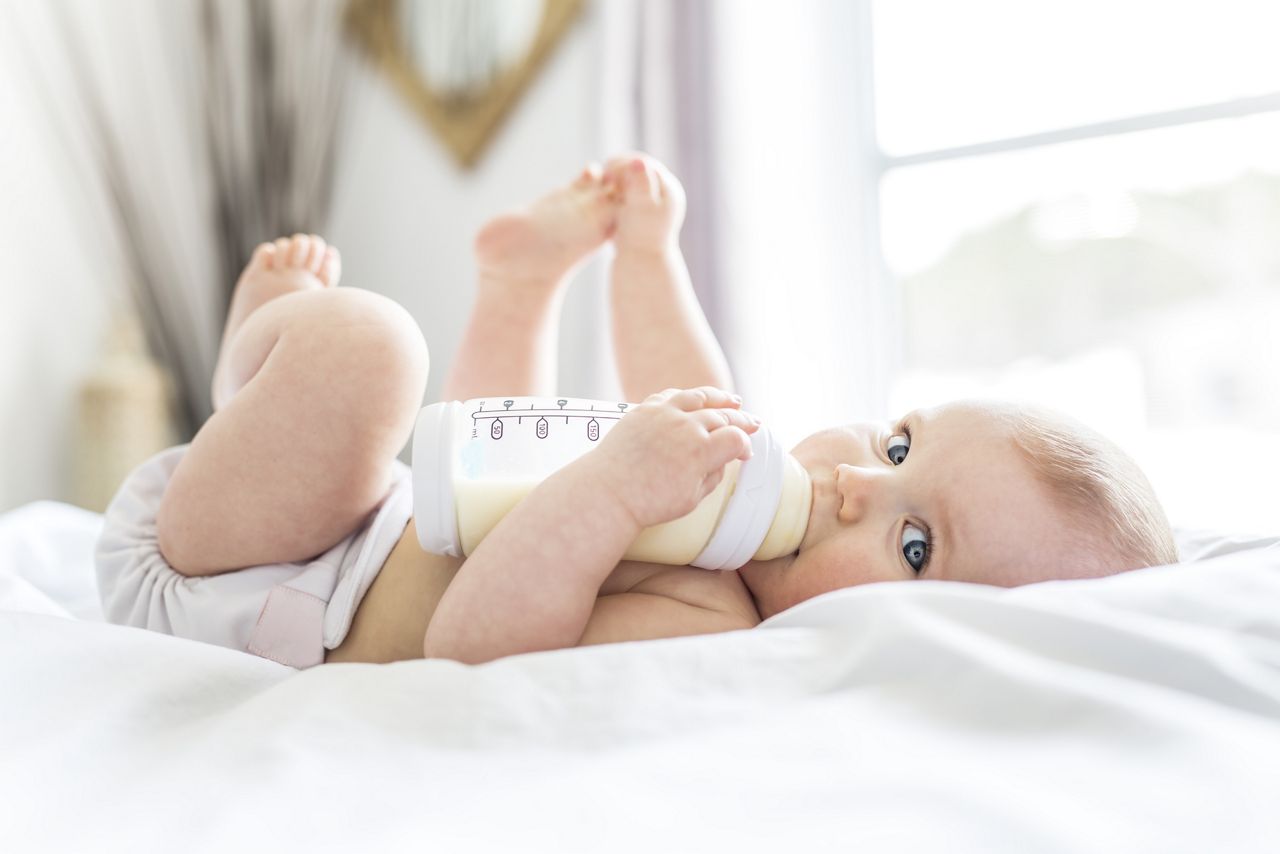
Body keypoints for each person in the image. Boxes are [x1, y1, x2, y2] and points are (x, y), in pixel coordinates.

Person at [95, 153, 1178, 668]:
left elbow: (470, 640)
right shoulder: (741, 505)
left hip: (244, 591)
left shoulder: (708, 620)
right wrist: (650, 252)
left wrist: (613, 489)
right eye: (898, 442)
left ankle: (260, 363)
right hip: (353, 517)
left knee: (372, 348)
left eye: (911, 537)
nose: (858, 479)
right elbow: (679, 373)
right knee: (483, 428)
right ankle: (511, 289)